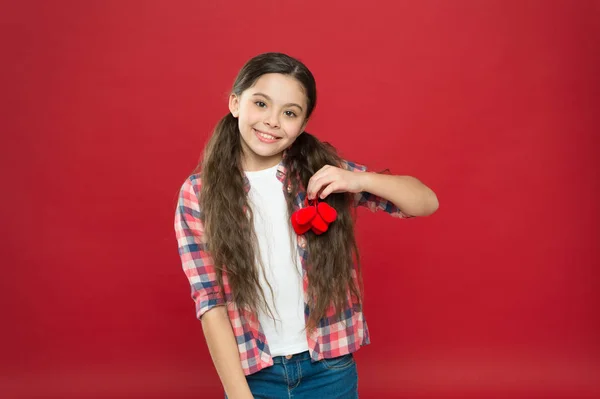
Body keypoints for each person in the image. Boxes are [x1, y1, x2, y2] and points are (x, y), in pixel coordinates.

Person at [174, 52, 439, 399]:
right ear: (236, 103)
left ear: (302, 124)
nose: (272, 121)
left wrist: (358, 180)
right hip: (255, 374)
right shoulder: (198, 193)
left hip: (328, 369)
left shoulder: (322, 173)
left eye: (289, 113)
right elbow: (212, 305)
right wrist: (239, 394)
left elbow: (426, 202)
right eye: (261, 103)